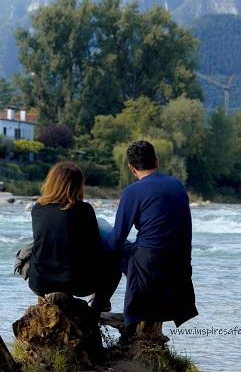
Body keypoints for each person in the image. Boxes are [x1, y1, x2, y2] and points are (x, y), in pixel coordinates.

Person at [105, 140, 198, 338]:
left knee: (109, 242)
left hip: (148, 267)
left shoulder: (132, 192)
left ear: (131, 168)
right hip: (179, 266)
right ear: (156, 161)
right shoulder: (178, 186)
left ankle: (99, 304)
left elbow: (116, 240)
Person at [28, 161, 120, 312]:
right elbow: (94, 247)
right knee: (115, 259)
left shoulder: (38, 208)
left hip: (39, 282)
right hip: (76, 284)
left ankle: (45, 304)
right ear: (77, 185)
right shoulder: (84, 210)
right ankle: (99, 305)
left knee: (34, 247)